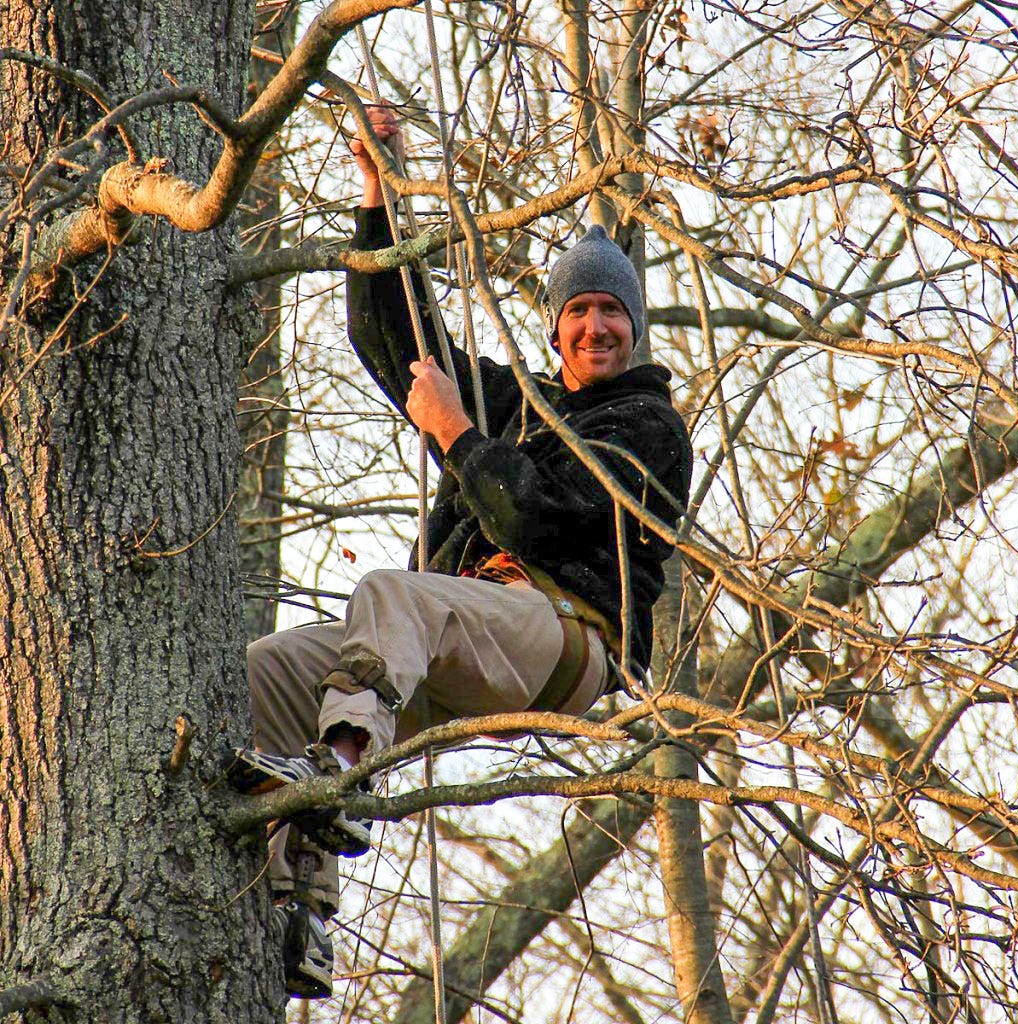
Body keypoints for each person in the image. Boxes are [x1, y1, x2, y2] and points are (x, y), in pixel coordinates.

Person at [227, 106, 693, 1000]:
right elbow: (399, 343)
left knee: (392, 594)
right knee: (270, 672)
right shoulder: (516, 401)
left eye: (612, 313)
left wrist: (457, 438)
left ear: (633, 329)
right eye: (580, 311)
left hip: (562, 635)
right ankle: (298, 907)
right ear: (556, 329)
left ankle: (340, 768)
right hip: (454, 639)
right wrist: (380, 193)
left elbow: (541, 521)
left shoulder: (646, 424)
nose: (597, 327)